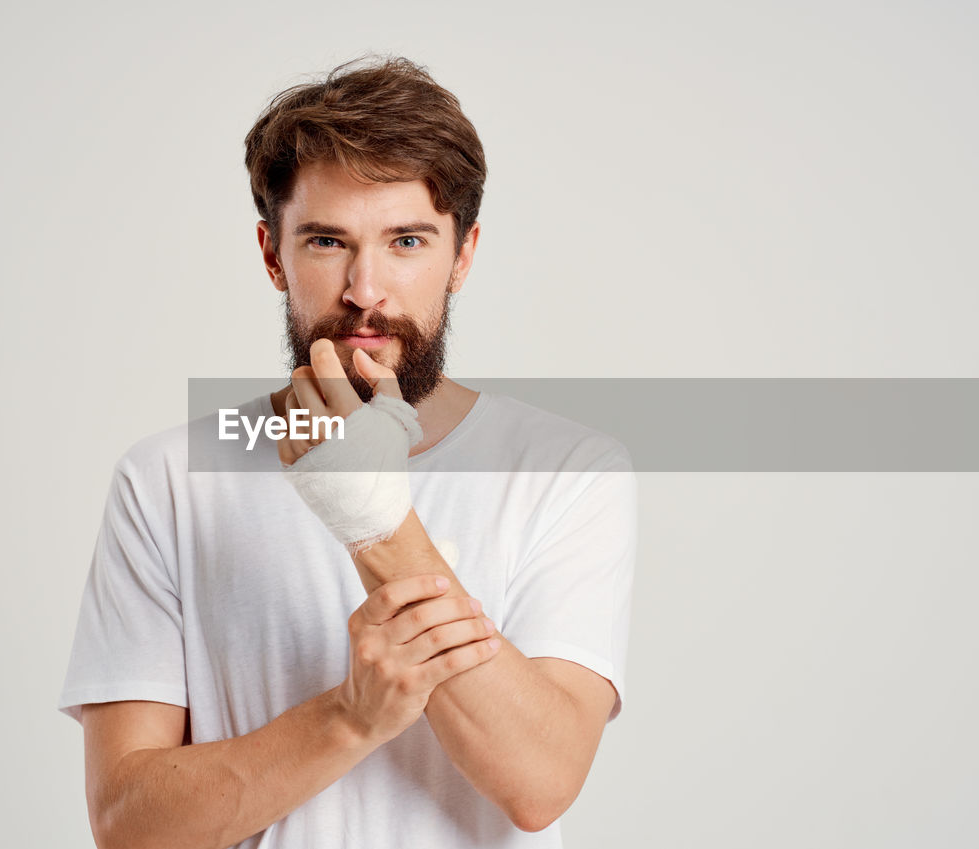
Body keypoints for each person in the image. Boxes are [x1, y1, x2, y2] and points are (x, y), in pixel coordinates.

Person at [57, 54, 638, 849]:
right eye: (328, 240)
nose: (367, 288)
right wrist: (349, 716)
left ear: (462, 255)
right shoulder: (164, 479)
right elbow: (129, 825)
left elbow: (539, 783)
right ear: (273, 255)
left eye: (407, 240)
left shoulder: (566, 471)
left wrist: (371, 518)